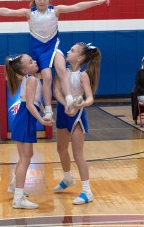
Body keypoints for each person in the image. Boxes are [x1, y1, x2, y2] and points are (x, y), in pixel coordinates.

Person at [0, 0, 110, 121]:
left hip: (53, 45)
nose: (42, 1)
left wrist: (97, 2)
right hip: (39, 50)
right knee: (47, 77)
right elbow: (7, 11)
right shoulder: (29, 13)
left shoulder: (56, 10)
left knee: (62, 69)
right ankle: (48, 109)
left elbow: (77, 6)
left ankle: (69, 99)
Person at [52, 42, 101, 205]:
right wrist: (66, 103)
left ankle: (87, 191)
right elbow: (56, 91)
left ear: (79, 58)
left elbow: (90, 98)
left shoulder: (83, 75)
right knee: (61, 149)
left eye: (72, 50)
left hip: (76, 115)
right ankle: (67, 178)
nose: (68, 51)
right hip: (63, 112)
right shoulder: (61, 72)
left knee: (78, 153)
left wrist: (80, 104)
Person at [5, 54, 54, 209]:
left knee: (26, 156)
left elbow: (34, 102)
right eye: (31, 62)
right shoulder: (32, 79)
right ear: (25, 69)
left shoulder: (29, 77)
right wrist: (42, 120)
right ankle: (18, 198)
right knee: (25, 159)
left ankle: (14, 186)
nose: (35, 62)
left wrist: (45, 113)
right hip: (26, 118)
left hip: (23, 119)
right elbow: (30, 105)